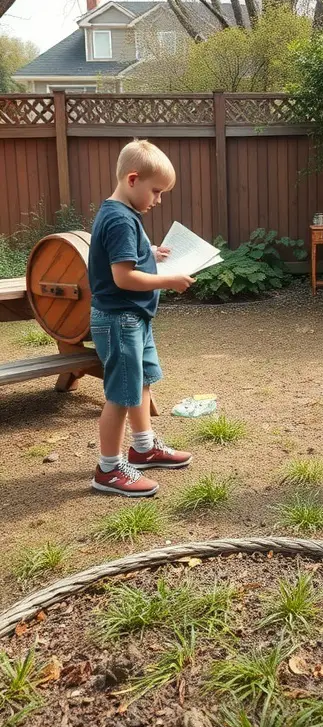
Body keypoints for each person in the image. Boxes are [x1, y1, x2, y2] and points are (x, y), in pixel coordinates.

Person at [88, 139, 195, 497]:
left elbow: (121, 255)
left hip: (135, 318)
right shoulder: (120, 218)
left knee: (141, 383)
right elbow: (123, 277)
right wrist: (171, 280)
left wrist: (149, 251)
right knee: (121, 394)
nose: (158, 200)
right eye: (156, 192)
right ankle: (108, 469)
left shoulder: (121, 214)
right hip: (121, 320)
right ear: (133, 179)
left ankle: (143, 447)